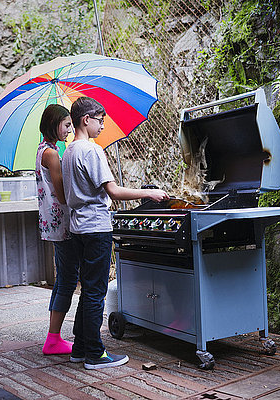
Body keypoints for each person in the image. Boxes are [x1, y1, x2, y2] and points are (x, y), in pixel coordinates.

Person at [62, 96, 169, 370]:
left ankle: (79, 348)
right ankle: (95, 354)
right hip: (96, 226)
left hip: (77, 228)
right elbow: (113, 191)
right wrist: (149, 193)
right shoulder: (91, 150)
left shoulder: (68, 151)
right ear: (86, 119)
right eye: (100, 121)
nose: (102, 126)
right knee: (96, 290)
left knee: (88, 289)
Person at [35, 104, 79, 355]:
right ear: (54, 125)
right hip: (62, 222)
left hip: (52, 223)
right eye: (66, 125)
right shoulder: (51, 153)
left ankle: (54, 337)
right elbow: (62, 195)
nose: (70, 130)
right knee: (68, 279)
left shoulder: (44, 150)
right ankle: (53, 339)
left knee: (64, 277)